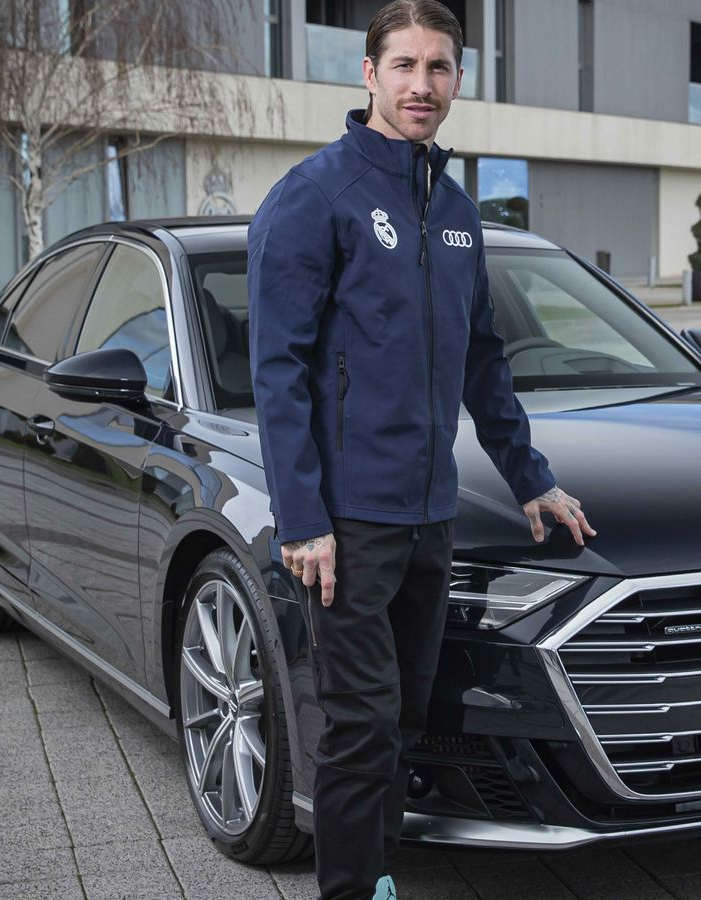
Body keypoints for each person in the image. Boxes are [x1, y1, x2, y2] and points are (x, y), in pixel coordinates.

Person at [246, 2, 596, 898]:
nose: (420, 85)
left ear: (457, 80)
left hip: (429, 515)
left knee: (404, 717)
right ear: (368, 74)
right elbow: (276, 372)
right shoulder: (315, 196)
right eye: (403, 65)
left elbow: (483, 357)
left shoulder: (455, 210)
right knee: (361, 724)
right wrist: (303, 520)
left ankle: (376, 875)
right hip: (350, 524)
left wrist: (531, 479)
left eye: (438, 67)